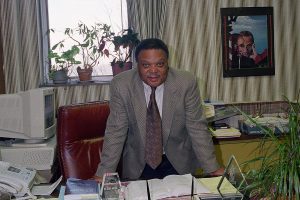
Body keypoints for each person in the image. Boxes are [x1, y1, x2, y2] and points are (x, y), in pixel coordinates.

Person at [94, 38, 224, 181]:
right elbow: (116, 131)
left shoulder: (185, 82)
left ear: (167, 63)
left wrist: (213, 168)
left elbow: (197, 127)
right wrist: (103, 174)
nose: (153, 71)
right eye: (146, 65)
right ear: (137, 66)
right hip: (139, 162)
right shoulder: (121, 85)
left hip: (178, 161)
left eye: (160, 64)